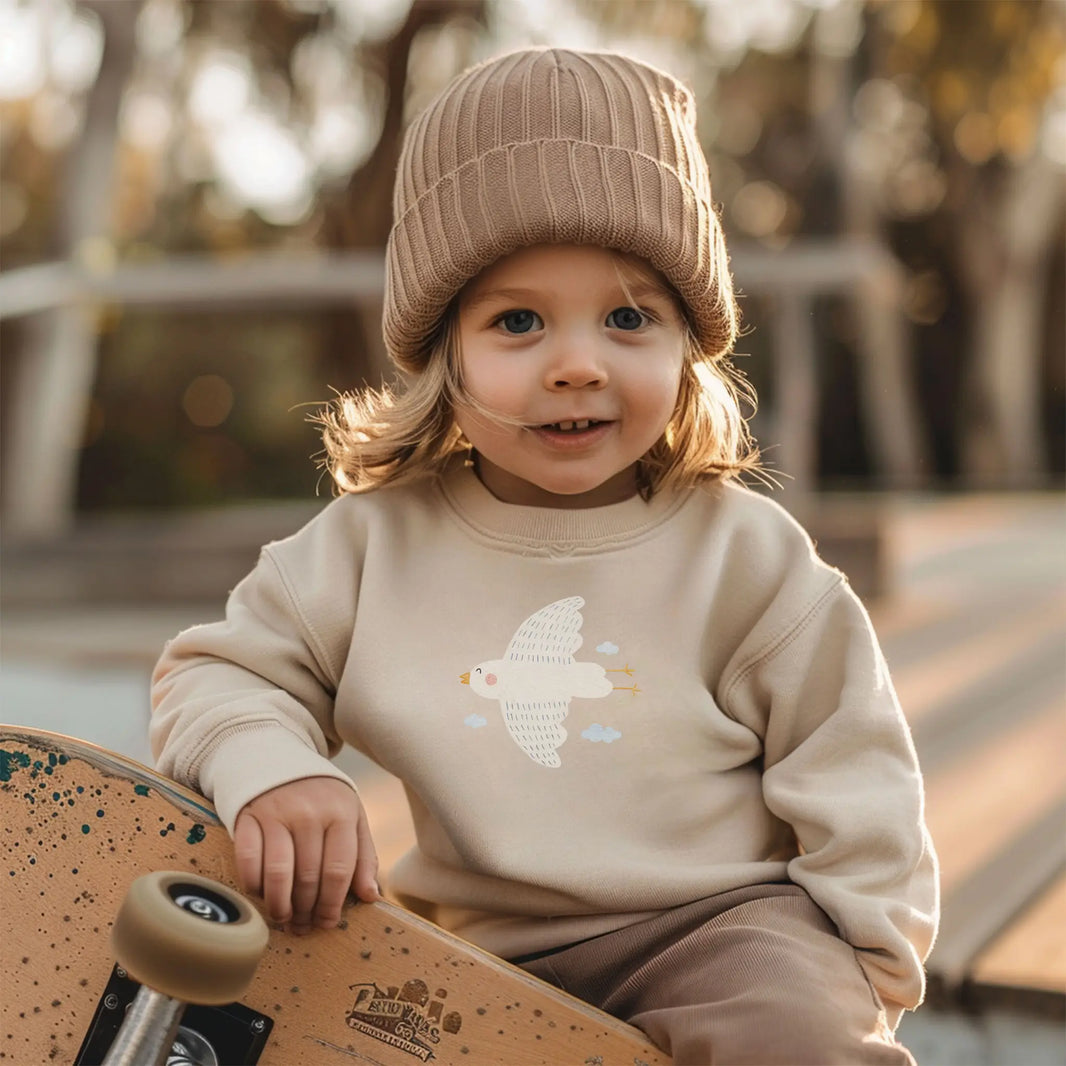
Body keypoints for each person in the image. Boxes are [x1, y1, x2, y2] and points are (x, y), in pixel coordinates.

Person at [151, 47, 938, 1065]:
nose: (576, 364)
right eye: (517, 321)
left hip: (720, 935)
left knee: (793, 1029)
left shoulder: (743, 556)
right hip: (469, 960)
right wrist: (273, 769)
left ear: (688, 341)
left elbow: (854, 762)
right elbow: (214, 672)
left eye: (628, 317)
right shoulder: (371, 548)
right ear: (446, 350)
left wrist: (863, 963)